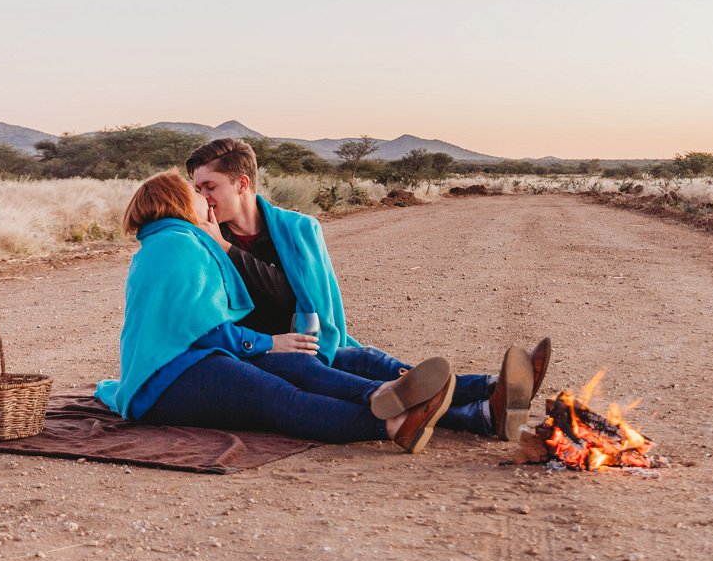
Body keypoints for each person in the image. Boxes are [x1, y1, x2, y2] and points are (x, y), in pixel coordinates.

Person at [185, 138, 552, 440]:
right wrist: (223, 245)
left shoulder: (297, 229)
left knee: (368, 360)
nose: (203, 198)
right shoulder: (203, 242)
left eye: (210, 187)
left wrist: (226, 246)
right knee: (354, 374)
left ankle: (488, 402)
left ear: (243, 184)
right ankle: (487, 398)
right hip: (255, 352)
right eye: (198, 189)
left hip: (303, 340)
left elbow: (293, 295)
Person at [95, 170, 460, 453]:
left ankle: (382, 393)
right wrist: (269, 342)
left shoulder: (169, 242)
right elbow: (206, 329)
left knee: (295, 366)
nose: (203, 197)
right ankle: (393, 424)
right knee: (280, 397)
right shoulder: (176, 246)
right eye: (194, 192)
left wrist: (271, 348)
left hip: (190, 365)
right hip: (168, 381)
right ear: (178, 201)